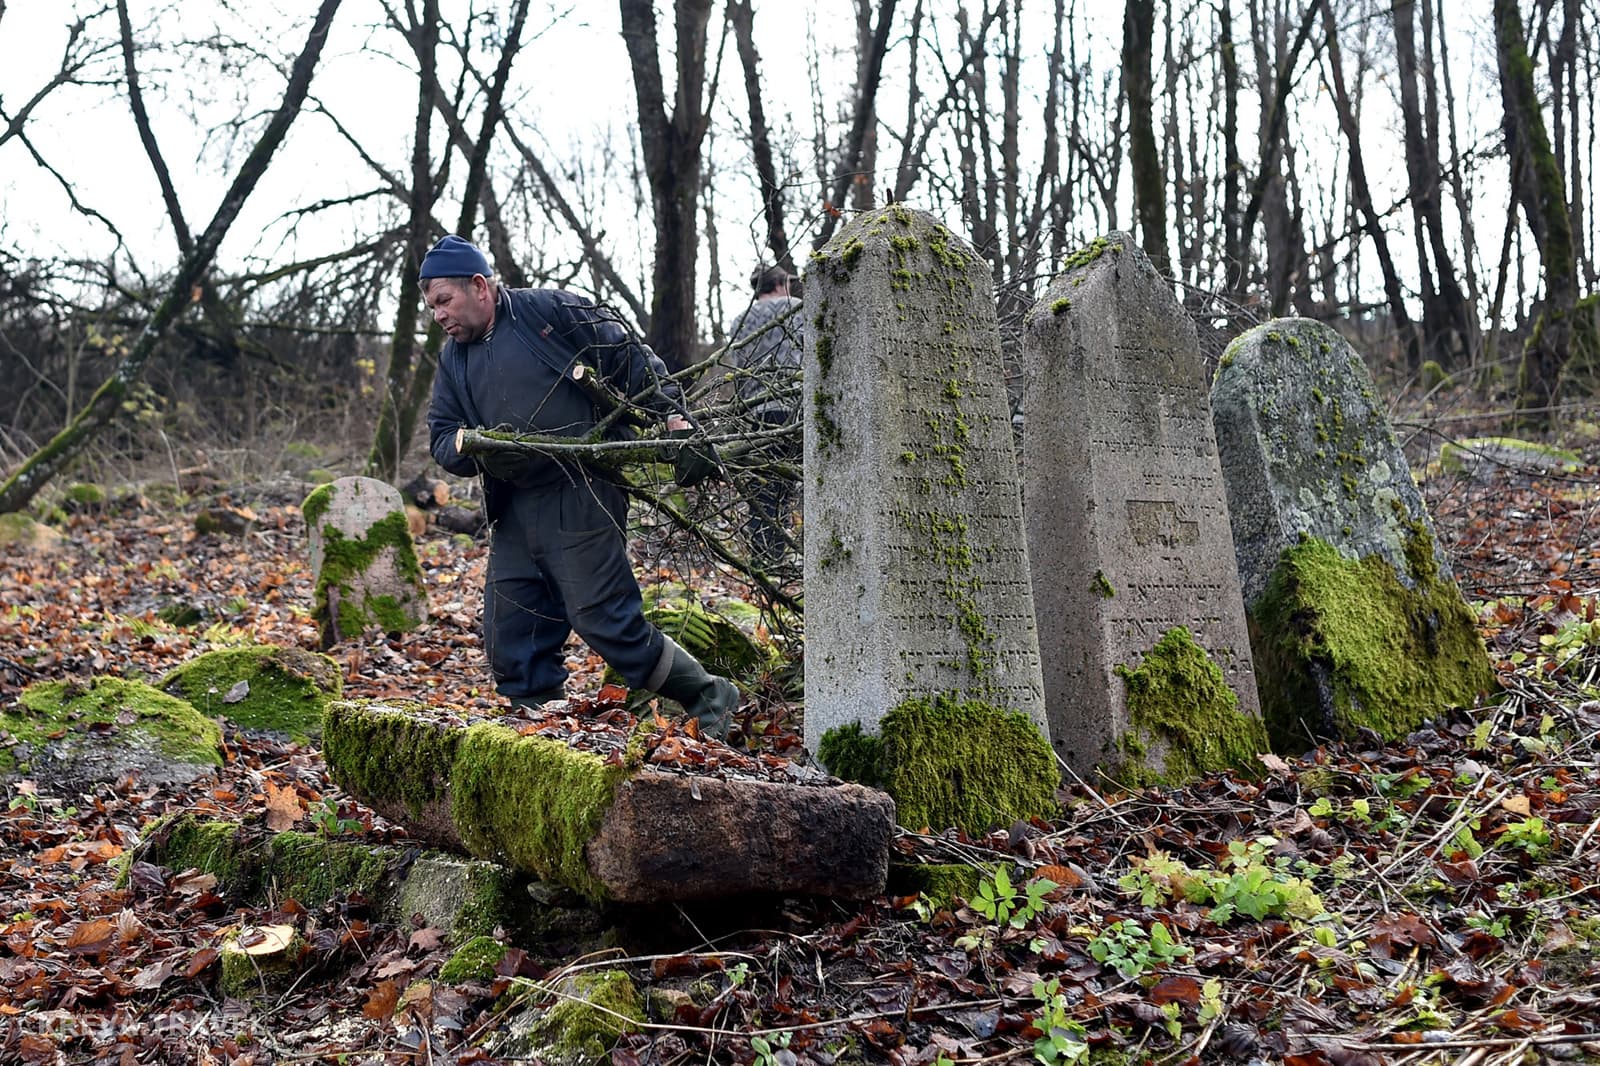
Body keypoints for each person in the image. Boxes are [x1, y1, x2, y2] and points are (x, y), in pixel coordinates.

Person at [422, 234, 740, 738]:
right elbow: (441, 434)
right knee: (513, 633)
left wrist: (677, 421)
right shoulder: (453, 361)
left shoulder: (549, 312)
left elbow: (628, 355)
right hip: (513, 509)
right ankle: (542, 738)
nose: (438, 315)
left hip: (583, 492)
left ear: (479, 286)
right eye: (431, 306)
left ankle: (709, 694)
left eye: (444, 300)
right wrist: (471, 448)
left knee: (604, 619)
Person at [724, 263, 802, 565]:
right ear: (781, 284)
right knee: (796, 481)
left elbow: (739, 369)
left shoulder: (738, 322)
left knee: (762, 490)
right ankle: (798, 556)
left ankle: (765, 560)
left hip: (754, 414)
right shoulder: (796, 308)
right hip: (792, 411)